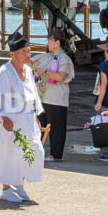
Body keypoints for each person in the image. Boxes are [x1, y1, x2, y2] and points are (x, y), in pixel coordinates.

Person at [0, 33, 44, 202]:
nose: (28, 55)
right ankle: (6, 188)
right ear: (12, 54)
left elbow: (34, 95)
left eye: (29, 51)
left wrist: (36, 116)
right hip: (10, 120)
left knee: (31, 150)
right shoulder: (4, 72)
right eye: (24, 52)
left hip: (27, 118)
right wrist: (4, 119)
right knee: (9, 153)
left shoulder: (28, 71)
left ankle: (19, 185)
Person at [34, 29, 75, 162]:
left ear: (57, 42)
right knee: (39, 125)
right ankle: (36, 150)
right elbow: (30, 62)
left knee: (56, 128)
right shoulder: (46, 56)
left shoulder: (65, 59)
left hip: (57, 98)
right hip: (42, 96)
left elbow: (61, 77)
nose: (48, 43)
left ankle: (55, 154)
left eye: (50, 40)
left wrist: (45, 72)